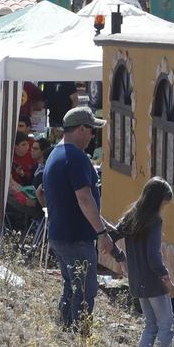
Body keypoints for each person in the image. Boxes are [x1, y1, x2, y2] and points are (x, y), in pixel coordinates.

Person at [42, 105, 114, 333]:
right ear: (82, 129)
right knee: (85, 291)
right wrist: (102, 234)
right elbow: (84, 198)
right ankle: (79, 338)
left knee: (70, 287)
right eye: (92, 130)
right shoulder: (76, 157)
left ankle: (64, 334)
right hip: (76, 238)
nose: (93, 136)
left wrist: (102, 224)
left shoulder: (56, 152)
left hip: (59, 234)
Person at [120, 177, 174, 347]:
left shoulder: (131, 215)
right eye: (164, 203)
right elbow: (154, 256)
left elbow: (112, 234)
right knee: (166, 325)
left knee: (150, 324)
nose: (164, 208)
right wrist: (167, 279)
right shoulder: (154, 220)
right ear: (157, 200)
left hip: (136, 279)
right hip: (153, 281)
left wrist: (119, 257)